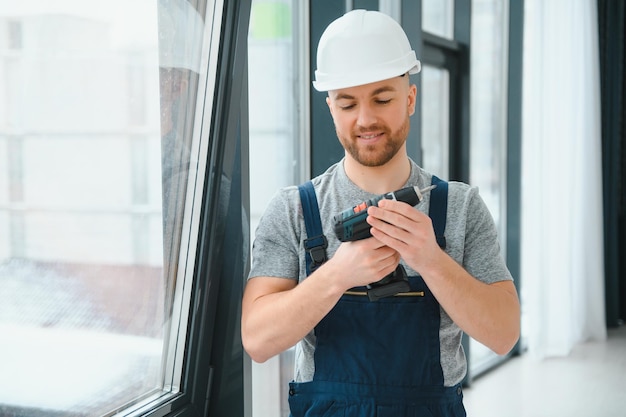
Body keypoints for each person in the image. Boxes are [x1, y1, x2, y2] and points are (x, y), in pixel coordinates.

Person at [242, 9, 520, 417]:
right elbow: (258, 340)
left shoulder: (460, 206)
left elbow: (503, 334)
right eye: (348, 103)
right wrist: (338, 274)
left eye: (382, 98)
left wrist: (431, 259)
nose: (365, 118)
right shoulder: (294, 210)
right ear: (331, 108)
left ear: (409, 98)